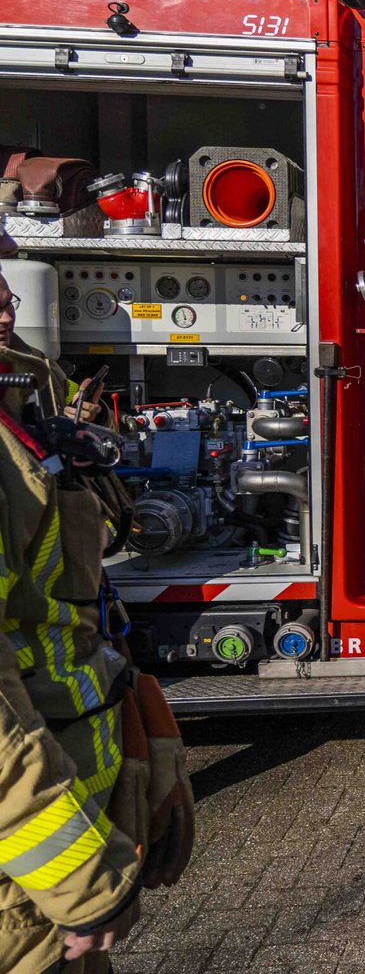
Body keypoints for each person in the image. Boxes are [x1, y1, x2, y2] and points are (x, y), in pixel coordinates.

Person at [0, 267, 141, 974]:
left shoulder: (24, 394)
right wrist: (85, 886)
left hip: (51, 829)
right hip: (29, 883)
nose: (5, 301)